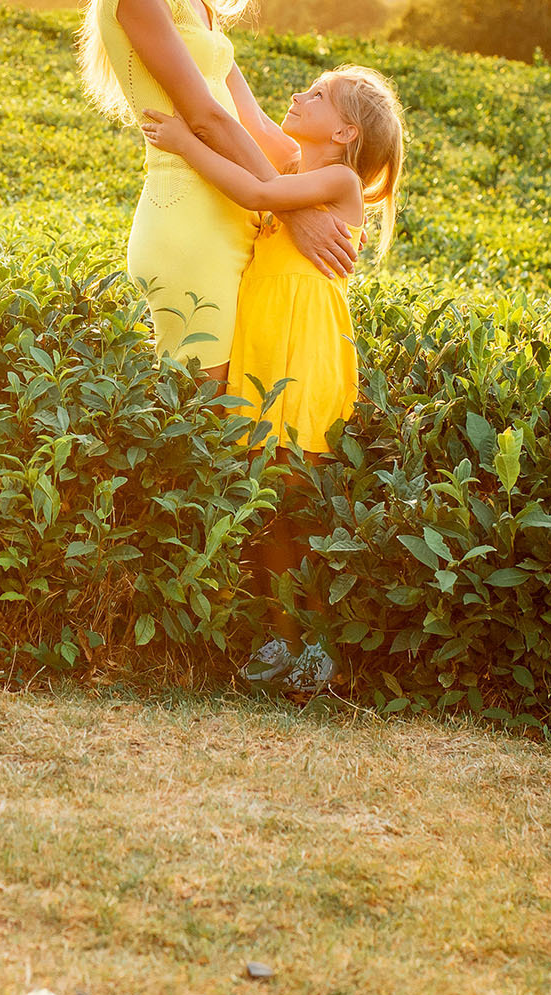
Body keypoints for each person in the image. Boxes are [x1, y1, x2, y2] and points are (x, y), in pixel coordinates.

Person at [142, 66, 407, 695]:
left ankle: (319, 642)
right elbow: (250, 119)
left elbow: (253, 192)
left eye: (316, 96)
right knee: (267, 503)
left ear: (345, 132)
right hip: (264, 336)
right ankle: (282, 636)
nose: (299, 95)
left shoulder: (338, 180)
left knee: (295, 496)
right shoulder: (291, 167)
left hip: (304, 344)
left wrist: (187, 144)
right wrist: (220, 58)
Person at [79, 0, 359, 383]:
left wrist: (332, 196)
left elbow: (255, 125)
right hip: (190, 222)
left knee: (239, 413)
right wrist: (295, 213)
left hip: (240, 221)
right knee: (207, 423)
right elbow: (205, 117)